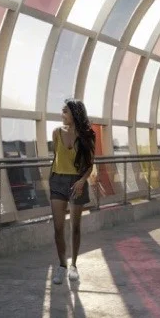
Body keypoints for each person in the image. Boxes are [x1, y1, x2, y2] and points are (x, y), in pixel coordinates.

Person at [50, 99, 96, 285]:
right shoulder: (56, 132)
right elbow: (56, 158)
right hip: (57, 180)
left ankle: (74, 266)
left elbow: (90, 164)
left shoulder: (88, 135)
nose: (62, 114)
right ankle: (62, 265)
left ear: (75, 113)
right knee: (58, 228)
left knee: (75, 227)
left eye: (65, 111)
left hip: (77, 182)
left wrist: (82, 180)